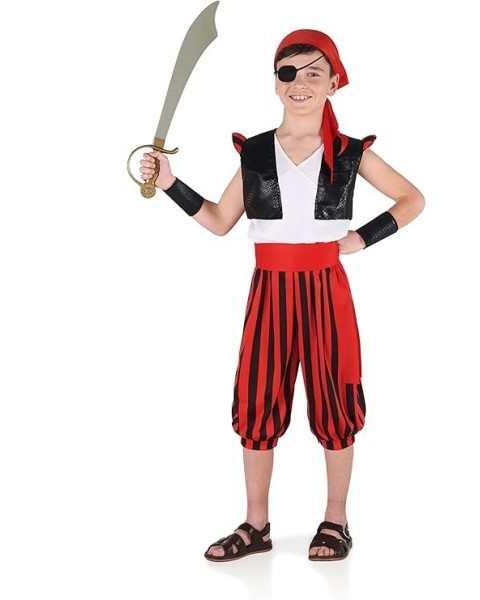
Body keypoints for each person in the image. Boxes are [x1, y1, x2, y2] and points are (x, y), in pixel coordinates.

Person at [139, 29, 424, 562]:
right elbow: (220, 220)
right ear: (275, 82)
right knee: (257, 396)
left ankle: (336, 520)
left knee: (335, 395)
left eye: (314, 72)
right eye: (288, 72)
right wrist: (173, 183)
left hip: (325, 290)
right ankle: (256, 525)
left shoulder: (349, 153)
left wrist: (361, 239)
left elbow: (412, 199)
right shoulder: (256, 153)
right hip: (269, 288)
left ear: (334, 83)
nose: (299, 83)